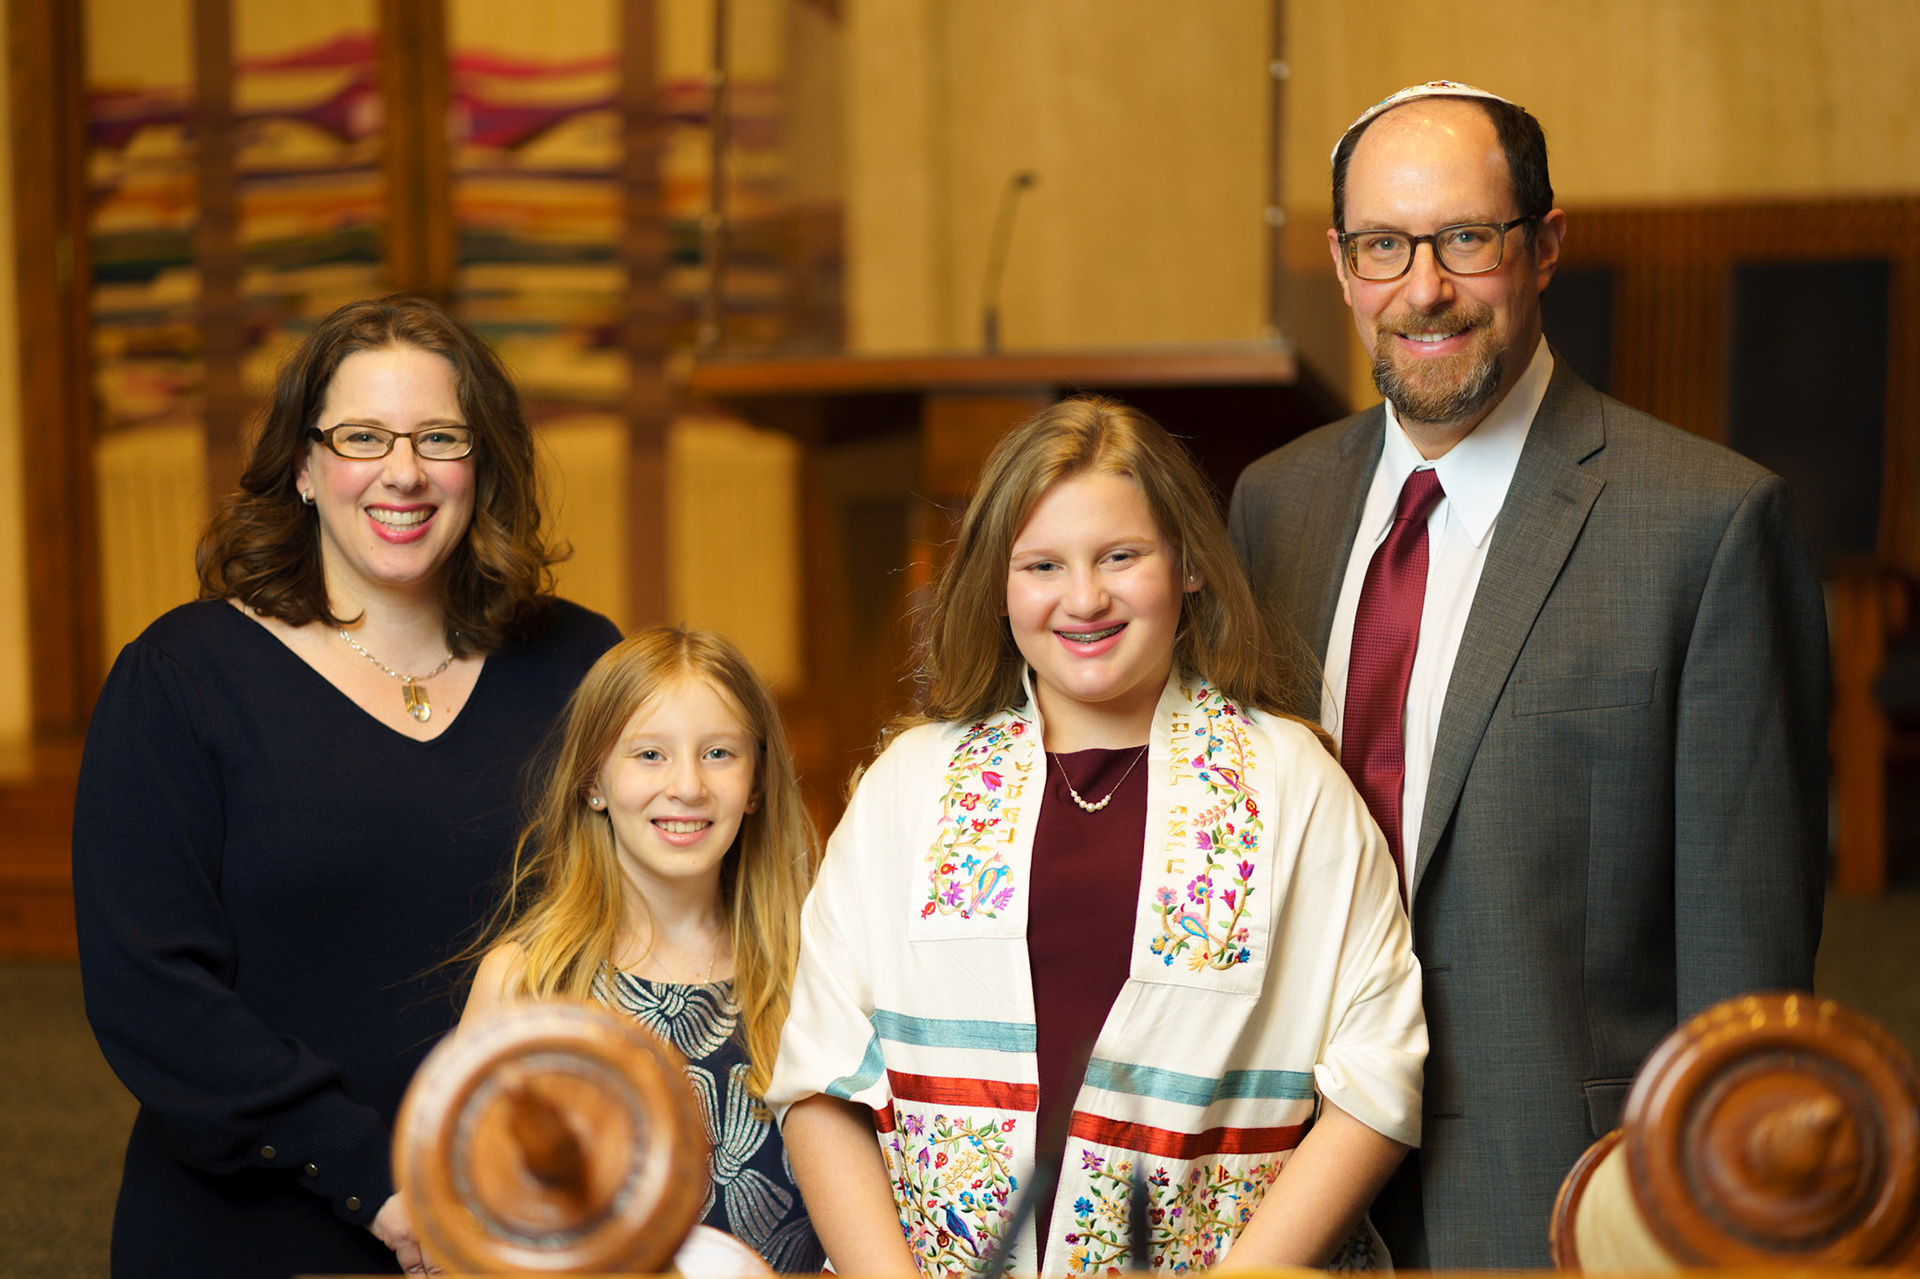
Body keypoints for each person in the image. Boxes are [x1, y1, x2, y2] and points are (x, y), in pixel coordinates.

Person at [1228, 82, 1829, 1268]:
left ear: (1544, 247)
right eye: (1385, 246)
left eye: (1467, 238)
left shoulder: (1705, 527)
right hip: (1277, 1191)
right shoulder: (1272, 507)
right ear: (1344, 268)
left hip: (1563, 1199)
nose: (1425, 289)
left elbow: (1745, 974)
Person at [769, 396, 1426, 1276]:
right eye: (1042, 564)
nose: (1084, 597)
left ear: (1188, 563)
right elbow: (819, 1075)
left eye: (1121, 555)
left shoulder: (1290, 782)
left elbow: (1378, 1073)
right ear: (999, 587)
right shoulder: (910, 787)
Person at [72, 295, 622, 1278]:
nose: (402, 471)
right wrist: (383, 1183)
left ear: (482, 463)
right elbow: (152, 992)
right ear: (302, 463)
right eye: (362, 435)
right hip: (254, 1222)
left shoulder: (583, 662)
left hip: (529, 1211)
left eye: (439, 437)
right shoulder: (182, 678)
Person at [461, 625, 825, 1272]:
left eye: (718, 753)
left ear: (758, 782)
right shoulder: (525, 984)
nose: (687, 785)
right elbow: (469, 1234)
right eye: (650, 754)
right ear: (592, 781)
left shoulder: (818, 975)